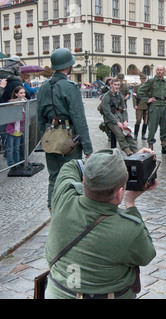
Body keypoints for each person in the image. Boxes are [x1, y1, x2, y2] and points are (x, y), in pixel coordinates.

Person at [44, 148, 157, 299]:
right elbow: (147, 255)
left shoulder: (64, 198)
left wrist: (114, 167)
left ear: (84, 181)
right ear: (119, 194)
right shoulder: (129, 228)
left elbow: (71, 166)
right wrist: (130, 202)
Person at [37, 48, 93, 213]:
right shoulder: (70, 87)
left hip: (50, 136)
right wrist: (88, 148)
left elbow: (40, 117)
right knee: (71, 175)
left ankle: (52, 209)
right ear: (69, 66)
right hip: (69, 138)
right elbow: (79, 119)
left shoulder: (43, 87)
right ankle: (69, 212)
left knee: (54, 175)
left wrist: (44, 137)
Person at [138, 65, 166, 155]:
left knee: (164, 127)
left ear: (164, 71)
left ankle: (164, 147)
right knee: (152, 128)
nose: (159, 71)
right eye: (157, 70)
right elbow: (140, 91)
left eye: (161, 70)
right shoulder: (151, 81)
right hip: (155, 106)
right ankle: (150, 148)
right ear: (155, 71)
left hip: (164, 107)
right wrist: (147, 100)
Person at [101, 78, 138, 156]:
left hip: (119, 116)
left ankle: (135, 150)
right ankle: (128, 151)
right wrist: (117, 122)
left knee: (127, 133)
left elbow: (124, 109)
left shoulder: (119, 94)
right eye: (115, 85)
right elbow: (107, 112)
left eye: (118, 85)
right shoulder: (106, 96)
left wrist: (125, 121)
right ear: (111, 85)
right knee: (120, 135)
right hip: (110, 119)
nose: (116, 87)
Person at [5, 86, 26, 167]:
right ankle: (10, 164)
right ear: (16, 94)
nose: (23, 95)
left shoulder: (24, 104)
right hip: (11, 130)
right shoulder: (12, 104)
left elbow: (23, 120)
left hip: (19, 130)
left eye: (24, 93)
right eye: (21, 93)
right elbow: (11, 119)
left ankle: (17, 163)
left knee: (17, 148)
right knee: (10, 148)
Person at [132, 74, 148, 140]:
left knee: (146, 121)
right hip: (139, 106)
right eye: (142, 79)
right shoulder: (137, 87)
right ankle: (135, 134)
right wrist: (135, 104)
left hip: (147, 106)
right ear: (140, 79)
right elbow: (134, 96)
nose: (143, 80)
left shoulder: (148, 87)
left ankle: (143, 134)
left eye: (144, 79)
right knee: (138, 120)